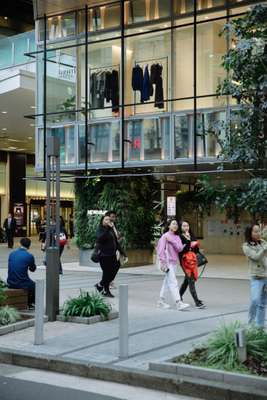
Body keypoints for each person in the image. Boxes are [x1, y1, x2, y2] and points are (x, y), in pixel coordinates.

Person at [157, 219, 190, 310]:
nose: (175, 225)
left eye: (176, 224)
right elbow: (160, 250)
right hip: (167, 263)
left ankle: (161, 301)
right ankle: (178, 302)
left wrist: (172, 241)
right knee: (173, 282)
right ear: (169, 226)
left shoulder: (176, 237)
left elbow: (179, 249)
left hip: (174, 262)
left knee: (167, 283)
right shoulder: (164, 236)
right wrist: (163, 263)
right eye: (173, 224)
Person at [242, 224, 267, 327]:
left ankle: (259, 327)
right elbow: (255, 257)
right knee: (255, 300)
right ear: (250, 233)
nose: (258, 233)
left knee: (262, 304)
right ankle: (250, 324)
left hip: (266, 276)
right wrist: (264, 248)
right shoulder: (246, 246)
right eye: (255, 231)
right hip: (256, 277)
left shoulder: (263, 243)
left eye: (259, 231)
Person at [94, 215, 123, 298]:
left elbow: (116, 242)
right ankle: (106, 290)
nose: (108, 221)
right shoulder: (100, 229)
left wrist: (123, 253)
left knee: (117, 266)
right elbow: (101, 238)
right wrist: (107, 228)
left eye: (109, 220)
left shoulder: (111, 230)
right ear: (102, 221)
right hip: (104, 255)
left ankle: (100, 285)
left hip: (112, 255)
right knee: (106, 273)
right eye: (106, 219)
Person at [178, 221, 205, 309]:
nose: (186, 227)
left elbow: (196, 250)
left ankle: (178, 296)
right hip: (185, 261)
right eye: (184, 226)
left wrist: (195, 245)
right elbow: (182, 250)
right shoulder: (180, 237)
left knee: (187, 280)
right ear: (181, 227)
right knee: (191, 280)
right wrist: (189, 241)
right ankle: (196, 302)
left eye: (187, 226)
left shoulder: (191, 235)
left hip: (192, 260)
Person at [7, 237, 36, 309]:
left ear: (20, 244)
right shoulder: (29, 256)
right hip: (21, 282)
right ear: (29, 246)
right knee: (34, 285)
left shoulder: (12, 253)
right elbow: (32, 269)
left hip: (10, 281)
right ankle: (31, 303)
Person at [105, 210, 127, 289]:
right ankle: (106, 283)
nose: (114, 218)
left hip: (115, 248)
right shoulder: (106, 227)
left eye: (114, 217)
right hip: (108, 250)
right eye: (112, 217)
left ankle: (109, 281)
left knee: (116, 265)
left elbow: (115, 236)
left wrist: (119, 236)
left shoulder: (114, 225)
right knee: (111, 266)